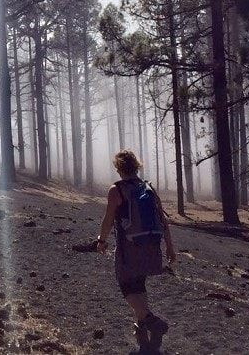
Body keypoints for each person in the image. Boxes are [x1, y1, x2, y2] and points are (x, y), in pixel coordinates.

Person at [96, 150, 176, 353]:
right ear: (136, 166)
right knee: (139, 286)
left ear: (119, 168)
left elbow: (108, 219)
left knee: (126, 286)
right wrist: (170, 247)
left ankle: (151, 320)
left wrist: (101, 241)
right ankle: (143, 332)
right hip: (151, 244)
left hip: (129, 248)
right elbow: (163, 220)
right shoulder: (147, 187)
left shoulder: (117, 190)